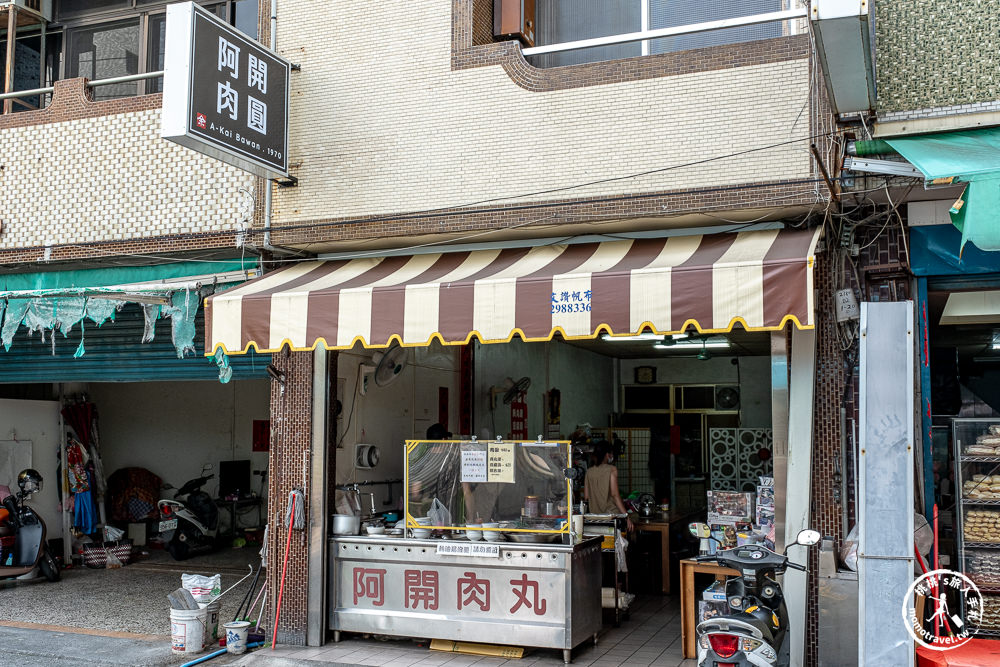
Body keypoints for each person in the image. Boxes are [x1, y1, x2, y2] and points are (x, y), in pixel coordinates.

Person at [584, 440, 633, 531]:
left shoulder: (589, 472)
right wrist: (626, 516)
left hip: (595, 518)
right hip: (611, 517)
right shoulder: (612, 469)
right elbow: (615, 495)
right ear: (607, 455)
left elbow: (586, 497)